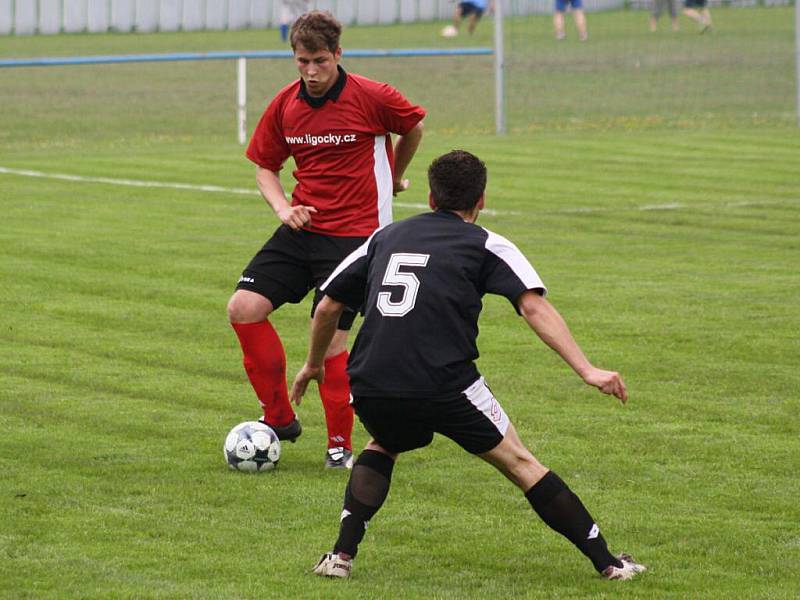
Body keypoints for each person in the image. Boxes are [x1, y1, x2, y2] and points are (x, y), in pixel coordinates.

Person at [291, 150, 647, 580]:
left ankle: (340, 558)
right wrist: (587, 370)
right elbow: (533, 306)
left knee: (383, 443)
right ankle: (610, 564)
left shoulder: (385, 237)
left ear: (429, 196)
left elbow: (328, 305)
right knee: (520, 463)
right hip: (445, 382)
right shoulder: (485, 243)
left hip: (371, 378)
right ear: (481, 199)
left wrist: (313, 364)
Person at [228, 10, 425, 469]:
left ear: (338, 54)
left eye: (319, 61)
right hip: (304, 227)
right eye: (302, 62)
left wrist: (395, 176)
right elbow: (265, 167)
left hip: (357, 236)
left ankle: (339, 448)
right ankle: (278, 416)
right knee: (243, 308)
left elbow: (413, 125)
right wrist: (283, 209)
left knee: (330, 334)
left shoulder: (372, 96)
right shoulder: (285, 104)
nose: (311, 72)